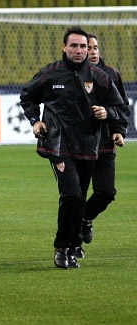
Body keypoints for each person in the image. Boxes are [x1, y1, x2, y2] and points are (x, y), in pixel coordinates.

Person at [19, 27, 125, 269]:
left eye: (83, 46)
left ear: (88, 49)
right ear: (64, 47)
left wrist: (107, 113)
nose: (79, 50)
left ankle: (73, 245)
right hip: (58, 145)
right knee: (72, 195)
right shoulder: (51, 74)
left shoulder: (100, 77)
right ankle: (61, 248)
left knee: (79, 199)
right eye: (74, 46)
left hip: (89, 147)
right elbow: (27, 96)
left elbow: (120, 108)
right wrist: (36, 120)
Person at [77, 33, 130, 257]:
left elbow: (122, 107)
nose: (94, 51)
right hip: (80, 146)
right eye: (89, 48)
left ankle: (85, 219)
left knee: (107, 191)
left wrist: (118, 129)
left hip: (106, 144)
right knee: (76, 195)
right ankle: (73, 244)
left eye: (96, 47)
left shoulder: (111, 74)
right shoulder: (72, 75)